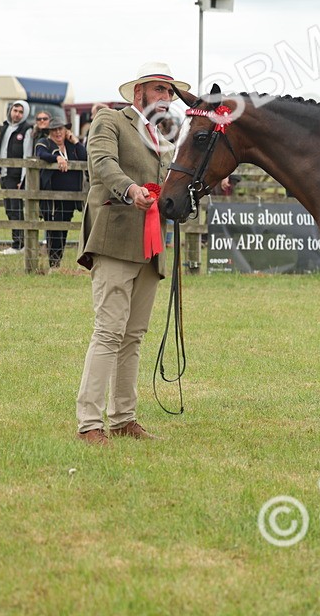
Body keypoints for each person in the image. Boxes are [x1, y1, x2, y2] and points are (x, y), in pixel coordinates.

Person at [74, 62, 187, 445]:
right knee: (109, 331)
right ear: (139, 92)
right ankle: (90, 421)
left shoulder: (163, 137)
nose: (167, 98)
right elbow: (102, 164)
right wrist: (130, 189)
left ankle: (123, 418)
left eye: (170, 93)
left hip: (150, 246)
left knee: (133, 335)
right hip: (115, 237)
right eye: (160, 90)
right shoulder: (110, 120)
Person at [35, 111, 87, 268]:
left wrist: (76, 141)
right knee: (53, 229)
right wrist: (57, 157)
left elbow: (85, 157)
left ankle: (57, 262)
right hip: (51, 195)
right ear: (49, 132)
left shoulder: (71, 146)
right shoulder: (44, 143)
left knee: (64, 229)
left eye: (61, 129)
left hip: (70, 196)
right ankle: (54, 263)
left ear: (66, 131)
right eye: (54, 130)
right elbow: (41, 153)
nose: (58, 132)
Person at [0, 100, 33, 255]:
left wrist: (23, 180)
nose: (17, 114)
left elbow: (27, 155)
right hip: (4, 174)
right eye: (15, 110)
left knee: (16, 209)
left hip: (15, 176)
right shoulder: (6, 127)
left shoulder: (26, 130)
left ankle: (19, 244)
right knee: (9, 209)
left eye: (20, 112)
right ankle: (18, 242)